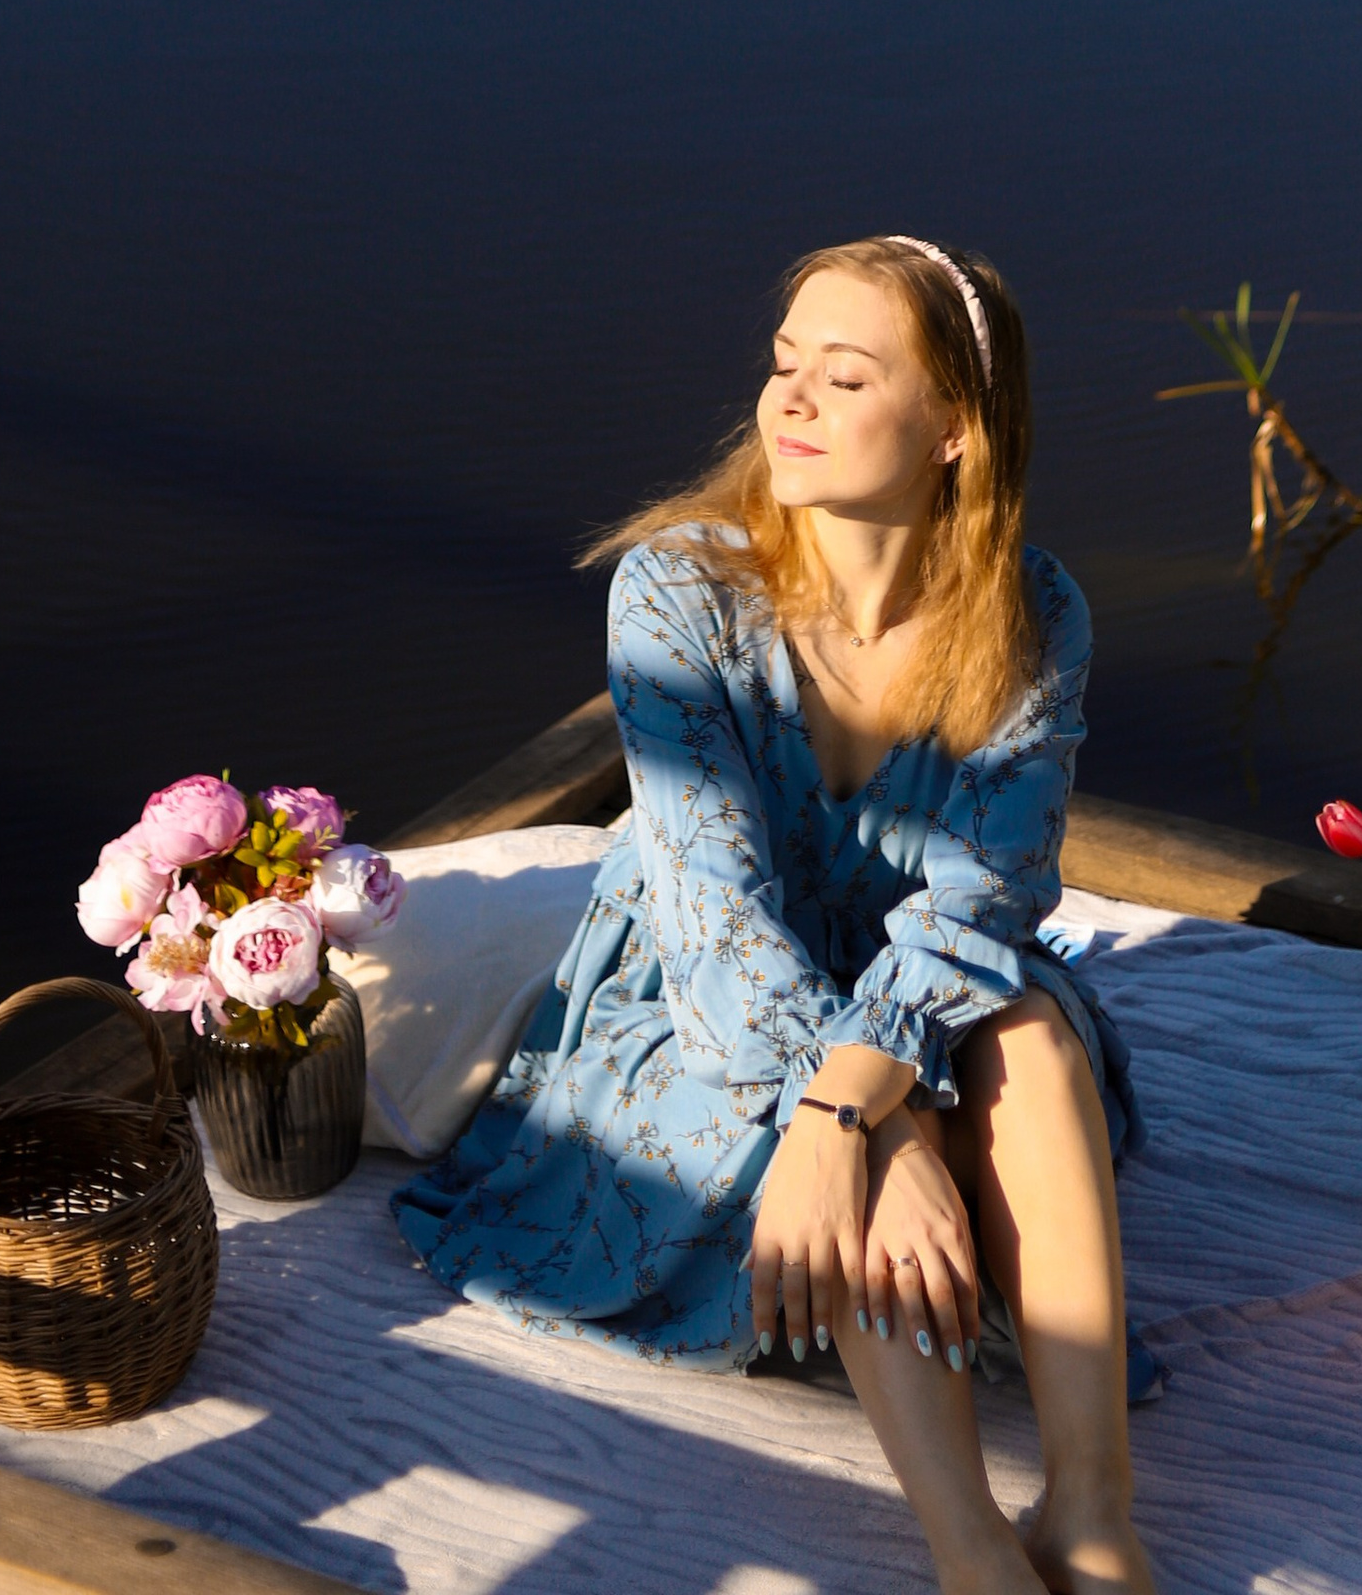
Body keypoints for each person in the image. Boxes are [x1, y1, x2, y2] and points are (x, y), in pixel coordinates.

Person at [395, 235, 1159, 1595]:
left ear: (953, 433)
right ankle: (974, 1553)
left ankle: (1096, 1521)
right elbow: (718, 928)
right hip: (709, 1016)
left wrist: (868, 1100)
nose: (789, 403)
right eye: (783, 365)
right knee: (866, 1158)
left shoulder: (1034, 613)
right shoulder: (681, 592)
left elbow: (984, 906)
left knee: (1034, 1039)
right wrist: (874, 1123)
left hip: (923, 1004)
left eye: (844, 376)